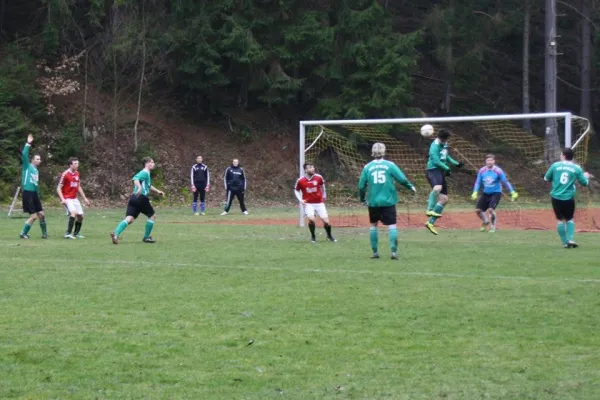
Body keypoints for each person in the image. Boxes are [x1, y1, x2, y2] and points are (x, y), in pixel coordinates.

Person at [358, 143, 416, 260]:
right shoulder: (390, 165)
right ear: (384, 151)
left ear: (373, 151)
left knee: (374, 225)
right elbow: (401, 179)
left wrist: (362, 199)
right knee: (392, 225)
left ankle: (375, 252)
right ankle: (393, 252)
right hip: (388, 201)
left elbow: (361, 186)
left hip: (373, 202)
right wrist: (410, 186)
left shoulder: (367, 167)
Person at [110, 157, 165, 244]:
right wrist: (139, 187)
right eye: (152, 162)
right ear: (147, 164)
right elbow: (135, 179)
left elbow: (148, 186)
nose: (154, 164)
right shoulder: (145, 172)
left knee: (130, 218)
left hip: (134, 198)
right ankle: (146, 237)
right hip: (141, 198)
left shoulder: (146, 174)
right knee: (152, 216)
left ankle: (116, 233)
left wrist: (158, 191)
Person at [544, 147, 590, 248]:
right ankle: (570, 239)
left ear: (564, 156)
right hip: (568, 197)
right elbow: (584, 183)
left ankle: (565, 243)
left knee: (560, 220)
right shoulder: (576, 168)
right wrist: (586, 176)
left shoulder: (555, 165)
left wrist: (555, 178)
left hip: (556, 197)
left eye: (561, 154)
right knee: (569, 219)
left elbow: (546, 178)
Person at [424, 129, 464, 235]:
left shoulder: (445, 143)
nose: (444, 142)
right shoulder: (434, 146)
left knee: (444, 199)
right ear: (439, 138)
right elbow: (436, 161)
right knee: (437, 187)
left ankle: (430, 223)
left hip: (441, 171)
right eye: (443, 140)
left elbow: (445, 156)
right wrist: (447, 168)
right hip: (432, 170)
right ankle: (429, 209)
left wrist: (456, 164)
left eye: (446, 140)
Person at [471, 154, 518, 232]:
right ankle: (485, 221)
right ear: (486, 161)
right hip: (486, 193)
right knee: (478, 210)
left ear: (494, 161)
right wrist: (475, 192)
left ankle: (493, 227)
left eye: (491, 160)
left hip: (496, 193)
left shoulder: (498, 171)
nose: (489, 162)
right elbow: (478, 182)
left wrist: (512, 192)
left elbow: (505, 182)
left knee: (490, 209)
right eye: (488, 160)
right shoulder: (482, 170)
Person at [294, 162, 336, 243]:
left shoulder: (318, 177)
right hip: (308, 203)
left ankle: (329, 235)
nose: (312, 169)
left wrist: (324, 195)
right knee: (312, 219)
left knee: (326, 222)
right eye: (310, 167)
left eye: (313, 167)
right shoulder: (300, 180)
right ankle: (313, 236)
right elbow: (296, 190)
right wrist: (300, 200)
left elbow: (322, 186)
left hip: (319, 203)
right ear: (306, 170)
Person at [19, 134, 48, 239]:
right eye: (37, 159)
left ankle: (44, 234)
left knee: (41, 214)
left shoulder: (36, 170)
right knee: (34, 216)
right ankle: (23, 233)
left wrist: (38, 194)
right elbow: (24, 154)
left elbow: (36, 184)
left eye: (40, 159)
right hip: (28, 193)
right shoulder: (27, 166)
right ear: (32, 160)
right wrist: (28, 143)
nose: (39, 160)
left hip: (34, 194)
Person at [57, 157, 91, 239]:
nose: (77, 165)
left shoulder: (77, 173)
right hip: (67, 198)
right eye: (75, 163)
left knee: (80, 216)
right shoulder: (65, 174)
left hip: (74, 198)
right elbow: (58, 188)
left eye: (78, 163)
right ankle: (67, 234)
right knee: (73, 213)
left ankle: (76, 233)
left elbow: (78, 186)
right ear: (70, 165)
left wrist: (85, 198)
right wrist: (63, 199)